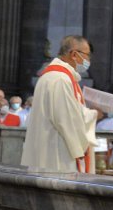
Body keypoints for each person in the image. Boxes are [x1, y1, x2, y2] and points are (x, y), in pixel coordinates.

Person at [21, 35, 99, 174]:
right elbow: (67, 120)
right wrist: (93, 117)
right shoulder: (61, 80)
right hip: (57, 153)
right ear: (74, 54)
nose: (88, 61)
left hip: (46, 148)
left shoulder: (49, 76)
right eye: (87, 56)